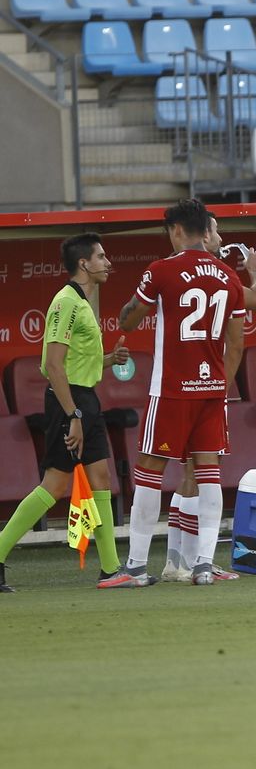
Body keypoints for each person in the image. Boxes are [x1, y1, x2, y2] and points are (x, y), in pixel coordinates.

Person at [99, 199, 247, 589]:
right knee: (209, 473)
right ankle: (203, 565)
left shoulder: (162, 270)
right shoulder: (229, 277)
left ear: (177, 230)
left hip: (170, 390)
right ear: (205, 230)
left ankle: (134, 568)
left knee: (149, 472)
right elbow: (237, 344)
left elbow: (128, 319)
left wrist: (132, 308)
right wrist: (220, 385)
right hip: (212, 390)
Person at [0, 234, 129, 593]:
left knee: (100, 477)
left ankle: (110, 570)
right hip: (68, 403)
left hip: (83, 400)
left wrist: (108, 361)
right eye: (101, 257)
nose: (107, 262)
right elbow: (54, 366)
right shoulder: (66, 302)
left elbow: (74, 363)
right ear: (84, 264)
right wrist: (73, 416)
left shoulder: (82, 300)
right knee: (55, 484)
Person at [163, 210, 256, 583]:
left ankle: (178, 560)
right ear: (203, 235)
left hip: (177, 385)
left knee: (188, 472)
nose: (221, 236)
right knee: (199, 473)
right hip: (205, 386)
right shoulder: (220, 276)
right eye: (216, 230)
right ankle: (192, 562)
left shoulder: (178, 271)